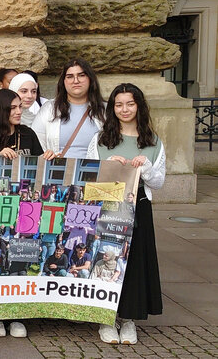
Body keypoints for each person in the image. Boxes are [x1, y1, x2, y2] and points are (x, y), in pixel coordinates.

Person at [87, 82, 165, 345]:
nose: (124, 109)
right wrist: (108, 167)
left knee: (133, 264)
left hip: (139, 207)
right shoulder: (101, 139)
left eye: (130, 103)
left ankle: (129, 318)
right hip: (109, 208)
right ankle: (105, 318)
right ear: (112, 109)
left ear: (139, 105)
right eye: (119, 104)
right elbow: (89, 178)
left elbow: (158, 182)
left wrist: (146, 169)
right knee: (107, 258)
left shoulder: (153, 141)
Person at [31, 58, 105, 160]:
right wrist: (47, 156)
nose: (76, 81)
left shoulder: (105, 110)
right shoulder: (49, 109)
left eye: (81, 75)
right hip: (57, 172)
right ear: (64, 82)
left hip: (94, 172)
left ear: (90, 79)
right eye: (70, 77)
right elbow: (36, 145)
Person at [0, 89, 44, 159]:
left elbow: (39, 163)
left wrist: (47, 156)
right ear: (0, 109)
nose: (19, 112)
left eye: (20, 106)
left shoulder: (28, 133)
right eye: (13, 108)